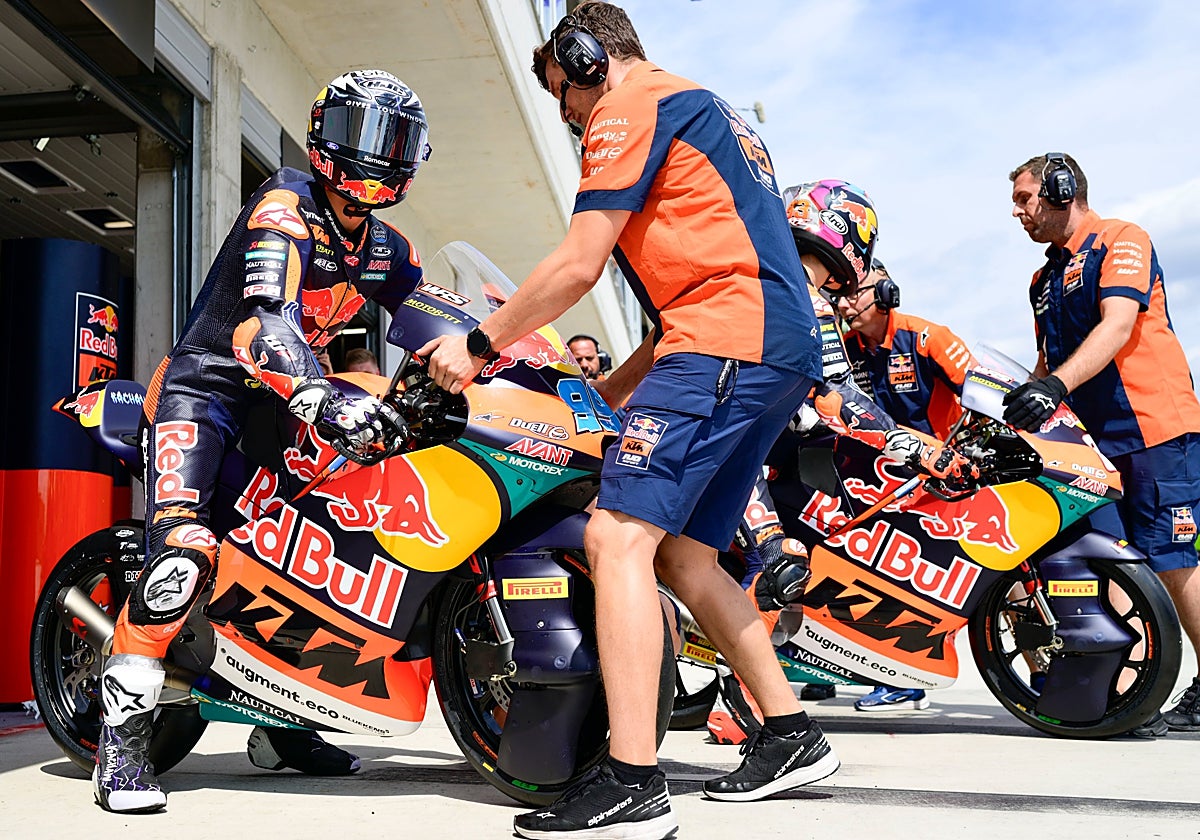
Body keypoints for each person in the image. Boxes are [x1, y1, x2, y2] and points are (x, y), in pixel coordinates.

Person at [420, 5, 852, 836]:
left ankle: (630, 781)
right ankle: (791, 735)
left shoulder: (629, 105)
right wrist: (598, 402)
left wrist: (477, 344)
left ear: (588, 60)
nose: (565, 115)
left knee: (615, 538)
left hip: (723, 344)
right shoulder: (701, 107)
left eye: (563, 93)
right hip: (762, 350)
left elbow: (580, 264)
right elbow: (665, 322)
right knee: (687, 557)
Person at [94, 69, 432, 813]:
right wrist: (319, 394)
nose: (378, 156)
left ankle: (284, 727)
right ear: (323, 137)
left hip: (284, 410)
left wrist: (500, 358)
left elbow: (441, 319)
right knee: (184, 554)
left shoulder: (384, 247)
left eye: (395, 141)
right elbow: (263, 321)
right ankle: (120, 749)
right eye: (363, 136)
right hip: (206, 391)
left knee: (329, 557)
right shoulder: (285, 206)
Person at [1007, 152, 1200, 737]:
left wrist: (1054, 385)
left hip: (1152, 428)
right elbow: (1047, 363)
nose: (1017, 213)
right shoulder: (1042, 279)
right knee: (1100, 568)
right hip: (1085, 448)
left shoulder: (1122, 239)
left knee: (1172, 560)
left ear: (1062, 190)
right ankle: (1121, 699)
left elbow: (1116, 325)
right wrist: (1014, 413)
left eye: (1024, 199)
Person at [838, 257, 972, 711]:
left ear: (886, 292)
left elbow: (982, 394)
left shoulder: (928, 336)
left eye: (856, 291)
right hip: (883, 478)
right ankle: (894, 675)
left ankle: (1039, 671)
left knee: (991, 582)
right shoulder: (845, 347)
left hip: (947, 475)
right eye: (841, 293)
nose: (845, 302)